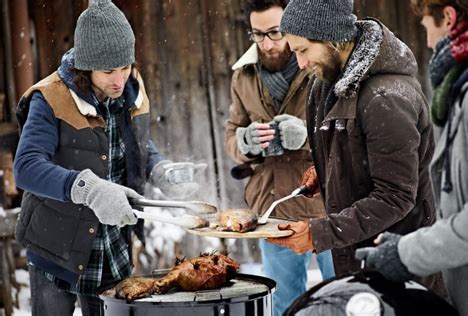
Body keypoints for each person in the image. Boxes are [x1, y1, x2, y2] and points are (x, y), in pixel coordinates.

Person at [13, 0, 201, 315]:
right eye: (108, 71)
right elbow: (27, 167)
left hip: (112, 246)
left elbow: (137, 145)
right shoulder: (50, 98)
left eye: (125, 67)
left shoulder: (129, 89)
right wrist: (88, 188)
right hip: (56, 248)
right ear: (86, 66)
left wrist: (161, 171)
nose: (119, 79)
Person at [266, 0, 445, 294]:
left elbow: (396, 196)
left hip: (400, 268)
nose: (300, 64)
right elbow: (356, 150)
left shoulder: (386, 99)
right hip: (358, 262)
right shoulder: (324, 85)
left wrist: (317, 233)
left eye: (303, 50)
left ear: (332, 38)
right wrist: (325, 170)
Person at [355, 1, 468, 315]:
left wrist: (405, 254)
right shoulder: (462, 92)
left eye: (426, 28)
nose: (429, 43)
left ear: (448, 17)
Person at [224, 1, 335, 314]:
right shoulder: (243, 75)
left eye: (275, 32)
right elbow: (232, 134)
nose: (267, 44)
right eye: (258, 35)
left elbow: (346, 135)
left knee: (345, 294)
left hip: (328, 204)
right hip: (274, 208)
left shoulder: (319, 65)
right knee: (283, 305)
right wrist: (245, 144)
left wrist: (306, 135)